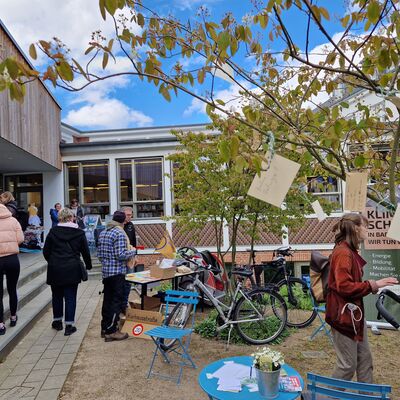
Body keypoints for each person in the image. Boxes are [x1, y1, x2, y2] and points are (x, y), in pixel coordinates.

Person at [325, 213, 398, 383]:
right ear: (356, 228)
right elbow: (344, 287)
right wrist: (374, 284)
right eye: (365, 226)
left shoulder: (349, 251)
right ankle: (327, 396)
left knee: (365, 360)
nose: (368, 230)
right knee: (347, 366)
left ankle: (367, 396)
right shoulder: (343, 253)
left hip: (354, 316)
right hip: (343, 317)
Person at [43, 208, 92, 336]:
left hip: (55, 268)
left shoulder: (53, 232)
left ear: (59, 218)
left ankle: (57, 322)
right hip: (72, 267)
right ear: (71, 217)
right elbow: (85, 252)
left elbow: (46, 251)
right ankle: (69, 325)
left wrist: (53, 261)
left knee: (56, 296)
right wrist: (88, 265)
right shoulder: (79, 233)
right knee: (70, 297)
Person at [97, 211, 136, 342]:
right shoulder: (119, 233)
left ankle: (104, 328)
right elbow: (121, 254)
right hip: (117, 273)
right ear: (123, 221)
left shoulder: (103, 232)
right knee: (116, 302)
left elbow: (99, 255)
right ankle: (112, 331)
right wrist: (134, 251)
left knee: (107, 302)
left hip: (106, 273)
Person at [0, 204, 24, 335]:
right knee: (12, 289)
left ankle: (0, 324)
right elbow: (20, 239)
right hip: (12, 259)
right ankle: (13, 316)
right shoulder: (13, 220)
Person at [121, 206, 137, 311]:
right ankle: (121, 303)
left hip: (130, 257)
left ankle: (125, 303)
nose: (130, 217)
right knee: (121, 281)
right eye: (128, 215)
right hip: (121, 257)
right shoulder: (119, 226)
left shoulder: (131, 225)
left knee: (129, 281)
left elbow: (134, 242)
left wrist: (136, 256)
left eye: (131, 215)